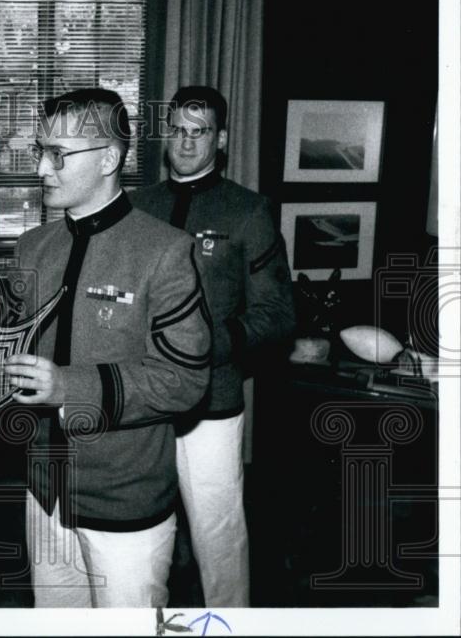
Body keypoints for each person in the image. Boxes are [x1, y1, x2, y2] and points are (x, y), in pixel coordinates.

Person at [0, 88, 211, 608]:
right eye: (40, 150)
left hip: (124, 502)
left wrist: (67, 386)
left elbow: (186, 380)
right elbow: (11, 356)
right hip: (43, 491)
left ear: (109, 159)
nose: (40, 168)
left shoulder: (166, 251)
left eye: (58, 154)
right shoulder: (34, 245)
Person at [131, 85, 295, 607]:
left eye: (198, 131)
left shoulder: (248, 211)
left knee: (217, 533)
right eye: (177, 129)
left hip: (212, 402)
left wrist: (207, 344)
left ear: (220, 139)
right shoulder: (136, 207)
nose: (185, 141)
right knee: (141, 533)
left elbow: (276, 314)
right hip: (142, 400)